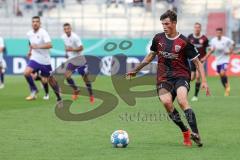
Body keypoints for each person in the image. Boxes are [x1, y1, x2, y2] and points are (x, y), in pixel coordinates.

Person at [126, 10, 210, 147]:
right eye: (162, 24)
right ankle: (185, 131)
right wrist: (136, 70)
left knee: (183, 101)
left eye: (167, 23)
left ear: (174, 23)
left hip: (181, 76)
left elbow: (197, 63)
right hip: (163, 78)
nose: (164, 26)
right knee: (167, 103)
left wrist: (204, 81)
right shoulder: (158, 38)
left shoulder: (184, 42)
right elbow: (150, 56)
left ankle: (196, 134)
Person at [24, 16, 62, 102]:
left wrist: (37, 46)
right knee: (26, 73)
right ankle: (34, 90)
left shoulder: (43, 32)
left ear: (40, 23)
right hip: (35, 58)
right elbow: (30, 42)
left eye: (37, 21)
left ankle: (58, 97)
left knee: (49, 80)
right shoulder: (29, 33)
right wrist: (30, 51)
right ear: (32, 23)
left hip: (45, 60)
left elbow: (50, 45)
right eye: (33, 21)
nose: (35, 23)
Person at [61, 23, 94, 104]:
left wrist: (72, 50)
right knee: (67, 76)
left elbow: (81, 47)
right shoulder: (63, 37)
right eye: (65, 29)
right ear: (64, 30)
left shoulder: (75, 37)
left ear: (70, 29)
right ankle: (76, 90)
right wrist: (66, 53)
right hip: (72, 60)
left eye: (68, 28)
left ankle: (91, 95)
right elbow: (66, 46)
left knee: (85, 78)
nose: (67, 30)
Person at [208, 28, 234, 96]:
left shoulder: (226, 40)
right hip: (218, 60)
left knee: (222, 73)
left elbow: (233, 43)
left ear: (222, 33)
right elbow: (211, 48)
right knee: (221, 76)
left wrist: (230, 51)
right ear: (216, 33)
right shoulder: (213, 40)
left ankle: (227, 87)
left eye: (220, 33)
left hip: (225, 59)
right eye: (217, 33)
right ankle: (226, 88)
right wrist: (211, 50)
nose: (218, 34)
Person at [188, 22, 209, 101]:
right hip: (192, 60)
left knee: (197, 77)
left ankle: (195, 96)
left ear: (200, 28)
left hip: (200, 60)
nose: (197, 29)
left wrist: (205, 57)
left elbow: (209, 50)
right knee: (192, 77)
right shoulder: (190, 37)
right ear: (194, 28)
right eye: (196, 27)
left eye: (198, 27)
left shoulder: (204, 39)